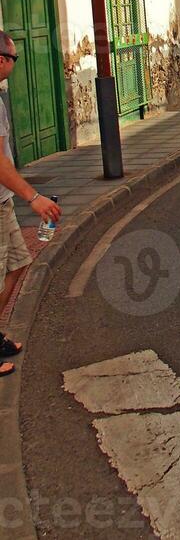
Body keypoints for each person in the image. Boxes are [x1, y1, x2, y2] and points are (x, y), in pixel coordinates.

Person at [0, 31, 61, 377]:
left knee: (18, 264)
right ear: (1, 59)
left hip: (3, 201)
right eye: (14, 57)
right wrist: (33, 197)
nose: (14, 63)